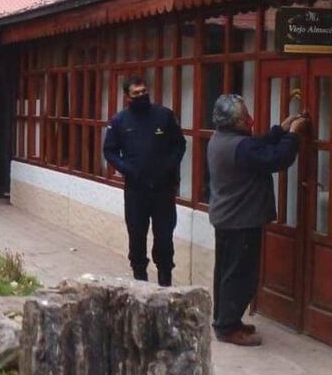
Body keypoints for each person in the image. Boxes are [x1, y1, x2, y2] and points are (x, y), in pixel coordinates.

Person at [207, 94, 307, 347]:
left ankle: (225, 320)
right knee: (239, 275)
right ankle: (228, 328)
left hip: (228, 218)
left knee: (226, 273)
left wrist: (279, 131)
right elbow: (276, 158)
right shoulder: (240, 146)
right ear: (233, 122)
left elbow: (258, 147)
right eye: (244, 117)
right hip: (240, 219)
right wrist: (293, 134)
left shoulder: (221, 138)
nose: (250, 121)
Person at [103, 76, 186, 286]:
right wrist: (127, 169)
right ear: (127, 97)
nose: (141, 96)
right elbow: (109, 151)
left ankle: (165, 286)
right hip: (136, 191)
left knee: (164, 239)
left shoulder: (164, 116)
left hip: (163, 190)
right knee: (137, 238)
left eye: (143, 92)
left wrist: (169, 166)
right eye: (136, 93)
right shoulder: (120, 121)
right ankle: (141, 285)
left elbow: (179, 145)